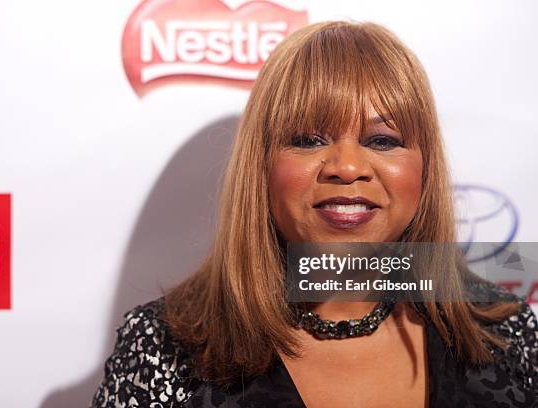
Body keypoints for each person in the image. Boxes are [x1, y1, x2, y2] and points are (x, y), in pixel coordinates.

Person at [90, 20, 537, 407]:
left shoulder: (507, 330)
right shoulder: (163, 347)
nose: (347, 168)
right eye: (308, 139)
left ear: (425, 170)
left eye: (382, 141)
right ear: (261, 166)